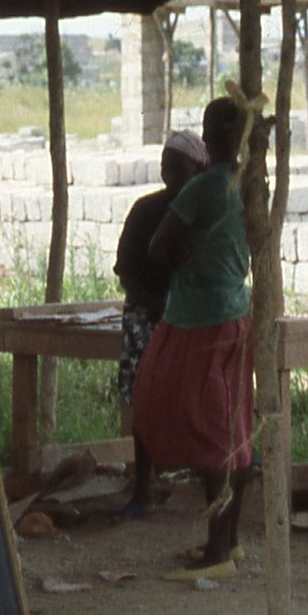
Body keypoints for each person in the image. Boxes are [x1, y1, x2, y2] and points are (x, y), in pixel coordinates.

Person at [133, 95, 252, 580]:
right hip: (236, 311)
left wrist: (188, 255)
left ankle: (217, 552)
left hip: (199, 317)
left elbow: (158, 247)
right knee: (233, 424)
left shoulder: (202, 187)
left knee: (205, 428)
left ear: (207, 138)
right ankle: (230, 539)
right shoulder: (248, 182)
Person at [112, 128, 206, 516]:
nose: (169, 174)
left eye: (179, 168)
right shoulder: (146, 210)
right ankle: (143, 487)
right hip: (148, 314)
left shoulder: (205, 214)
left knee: (201, 397)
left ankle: (204, 478)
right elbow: (126, 271)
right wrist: (160, 310)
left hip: (194, 316)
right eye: (166, 166)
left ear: (199, 170)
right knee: (143, 395)